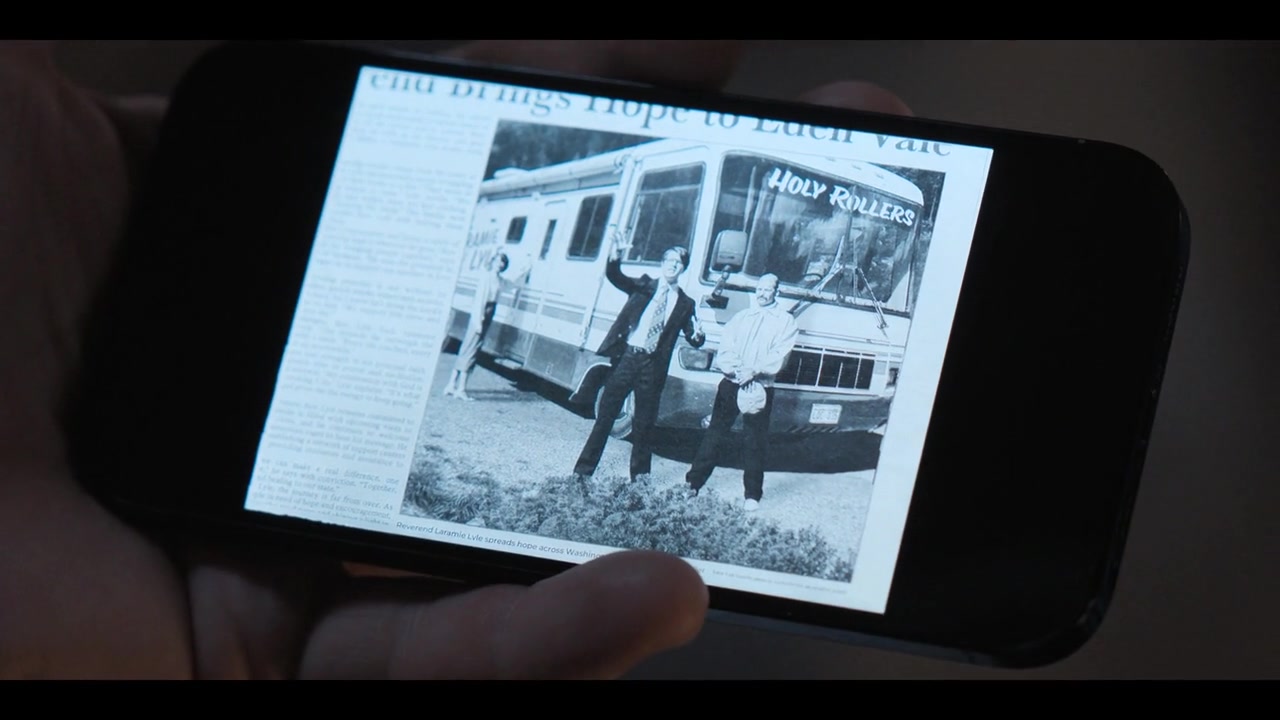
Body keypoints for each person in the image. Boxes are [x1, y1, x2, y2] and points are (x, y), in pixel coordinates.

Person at [0, 39, 908, 678]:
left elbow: (697, 329)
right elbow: (623, 272)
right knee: (608, 420)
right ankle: (596, 473)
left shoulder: (703, 304)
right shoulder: (646, 278)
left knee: (633, 436)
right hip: (632, 361)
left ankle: (632, 482)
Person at [573, 241, 706, 483]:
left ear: (683, 268)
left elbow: (694, 337)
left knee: (644, 427)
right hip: (628, 359)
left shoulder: (686, 303)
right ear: (662, 264)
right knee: (605, 419)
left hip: (653, 367)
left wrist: (699, 335)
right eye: (669, 261)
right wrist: (615, 256)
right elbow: (615, 276)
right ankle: (582, 474)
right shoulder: (644, 286)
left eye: (678, 263)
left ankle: (640, 483)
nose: (673, 266)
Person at [685, 274, 799, 512]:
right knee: (715, 434)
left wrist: (754, 371)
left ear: (777, 292)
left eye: (768, 289)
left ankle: (752, 495)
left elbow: (780, 354)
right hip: (732, 383)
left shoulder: (785, 322)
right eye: (760, 289)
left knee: (755, 441)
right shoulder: (741, 317)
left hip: (760, 387)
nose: (762, 293)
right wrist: (738, 370)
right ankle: (691, 486)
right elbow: (727, 347)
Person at [444, 248, 516, 401]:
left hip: (489, 314)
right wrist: (478, 321)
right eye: (498, 261)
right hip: (481, 315)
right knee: (471, 350)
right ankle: (460, 389)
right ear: (493, 262)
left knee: (467, 348)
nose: (500, 264)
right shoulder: (487, 278)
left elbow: (512, 284)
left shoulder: (500, 280)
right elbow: (479, 301)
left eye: (503, 262)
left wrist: (524, 269)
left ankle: (451, 385)